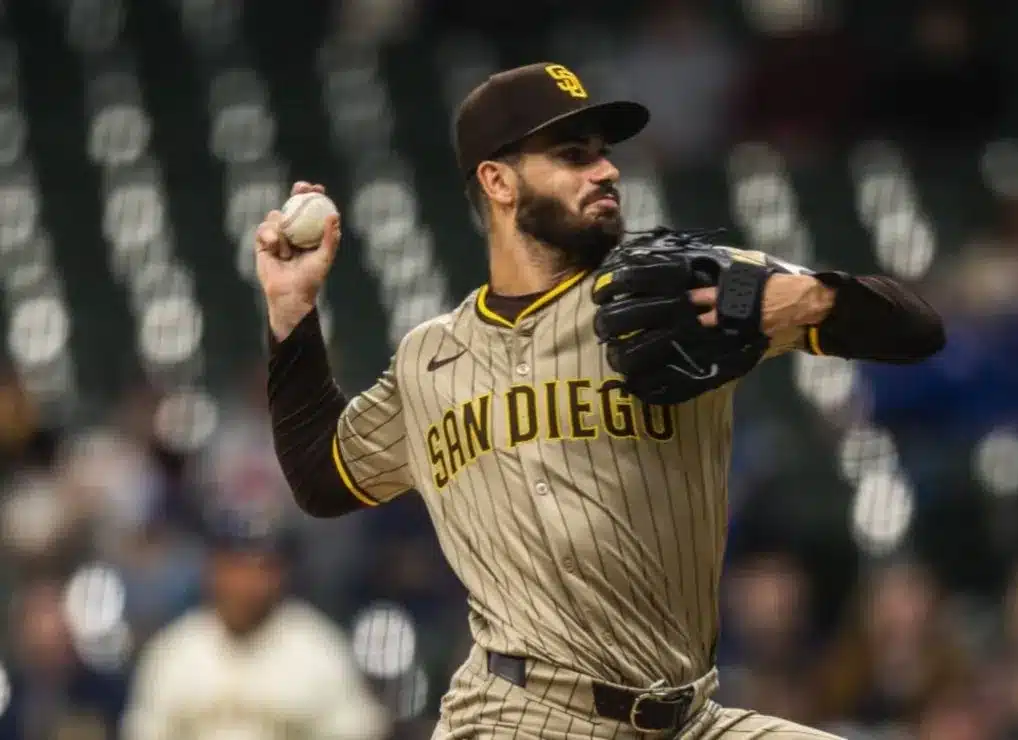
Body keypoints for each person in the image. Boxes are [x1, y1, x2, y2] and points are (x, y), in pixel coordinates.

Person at [258, 62, 943, 738]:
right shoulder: (429, 358)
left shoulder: (680, 293)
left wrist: (801, 295)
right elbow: (323, 477)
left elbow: (916, 329)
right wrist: (291, 313)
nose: (606, 171)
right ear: (497, 180)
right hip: (517, 717)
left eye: (604, 155)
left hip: (689, 718)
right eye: (572, 155)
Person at [120, 513, 388, 740]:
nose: (246, 584)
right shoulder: (175, 651)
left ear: (281, 575)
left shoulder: (320, 648)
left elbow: (358, 732)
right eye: (235, 567)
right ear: (213, 571)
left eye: (261, 568)